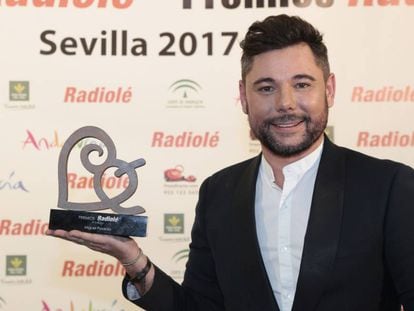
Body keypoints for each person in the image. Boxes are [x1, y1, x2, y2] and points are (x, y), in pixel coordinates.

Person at [47, 14, 414, 311]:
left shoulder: (388, 187)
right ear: (243, 97)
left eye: (302, 84)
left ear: (329, 89)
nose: (285, 102)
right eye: (266, 87)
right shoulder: (218, 193)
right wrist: (134, 261)